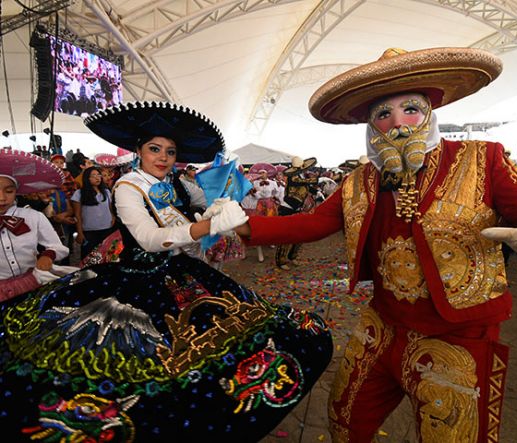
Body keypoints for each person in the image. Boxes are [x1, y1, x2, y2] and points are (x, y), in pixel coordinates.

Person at [235, 47, 517, 442]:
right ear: (372, 126)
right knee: (344, 419)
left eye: (410, 110)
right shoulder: (361, 180)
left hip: (459, 333)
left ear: (429, 113)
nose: (398, 124)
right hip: (381, 325)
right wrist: (242, 226)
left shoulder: (481, 159)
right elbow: (316, 222)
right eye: (383, 115)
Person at [0, 101, 332, 442]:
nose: (163, 157)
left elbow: (185, 237)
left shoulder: (174, 186)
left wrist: (213, 217)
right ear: (139, 152)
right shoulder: (128, 186)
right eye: (155, 149)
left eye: (171, 151)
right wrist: (207, 226)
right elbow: (148, 238)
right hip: (131, 285)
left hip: (178, 273)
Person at [0, 149, 73, 302]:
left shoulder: (33, 216)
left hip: (31, 284)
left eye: (9, 191)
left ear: (16, 192)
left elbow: (57, 246)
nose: (2, 198)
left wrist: (48, 256)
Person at [275, 156, 318, 270]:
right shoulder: (292, 176)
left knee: (300, 235)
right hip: (287, 209)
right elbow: (301, 182)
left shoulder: (301, 175)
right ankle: (281, 261)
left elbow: (306, 186)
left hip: (298, 209)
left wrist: (316, 191)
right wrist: (314, 179)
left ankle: (292, 256)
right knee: (286, 237)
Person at [71, 166, 116, 258]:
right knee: (89, 257)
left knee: (106, 256)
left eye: (99, 175)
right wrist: (80, 232)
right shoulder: (79, 193)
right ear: (87, 178)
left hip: (106, 229)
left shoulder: (106, 192)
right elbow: (77, 214)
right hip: (89, 231)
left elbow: (110, 208)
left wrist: (113, 217)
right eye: (93, 175)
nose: (97, 177)